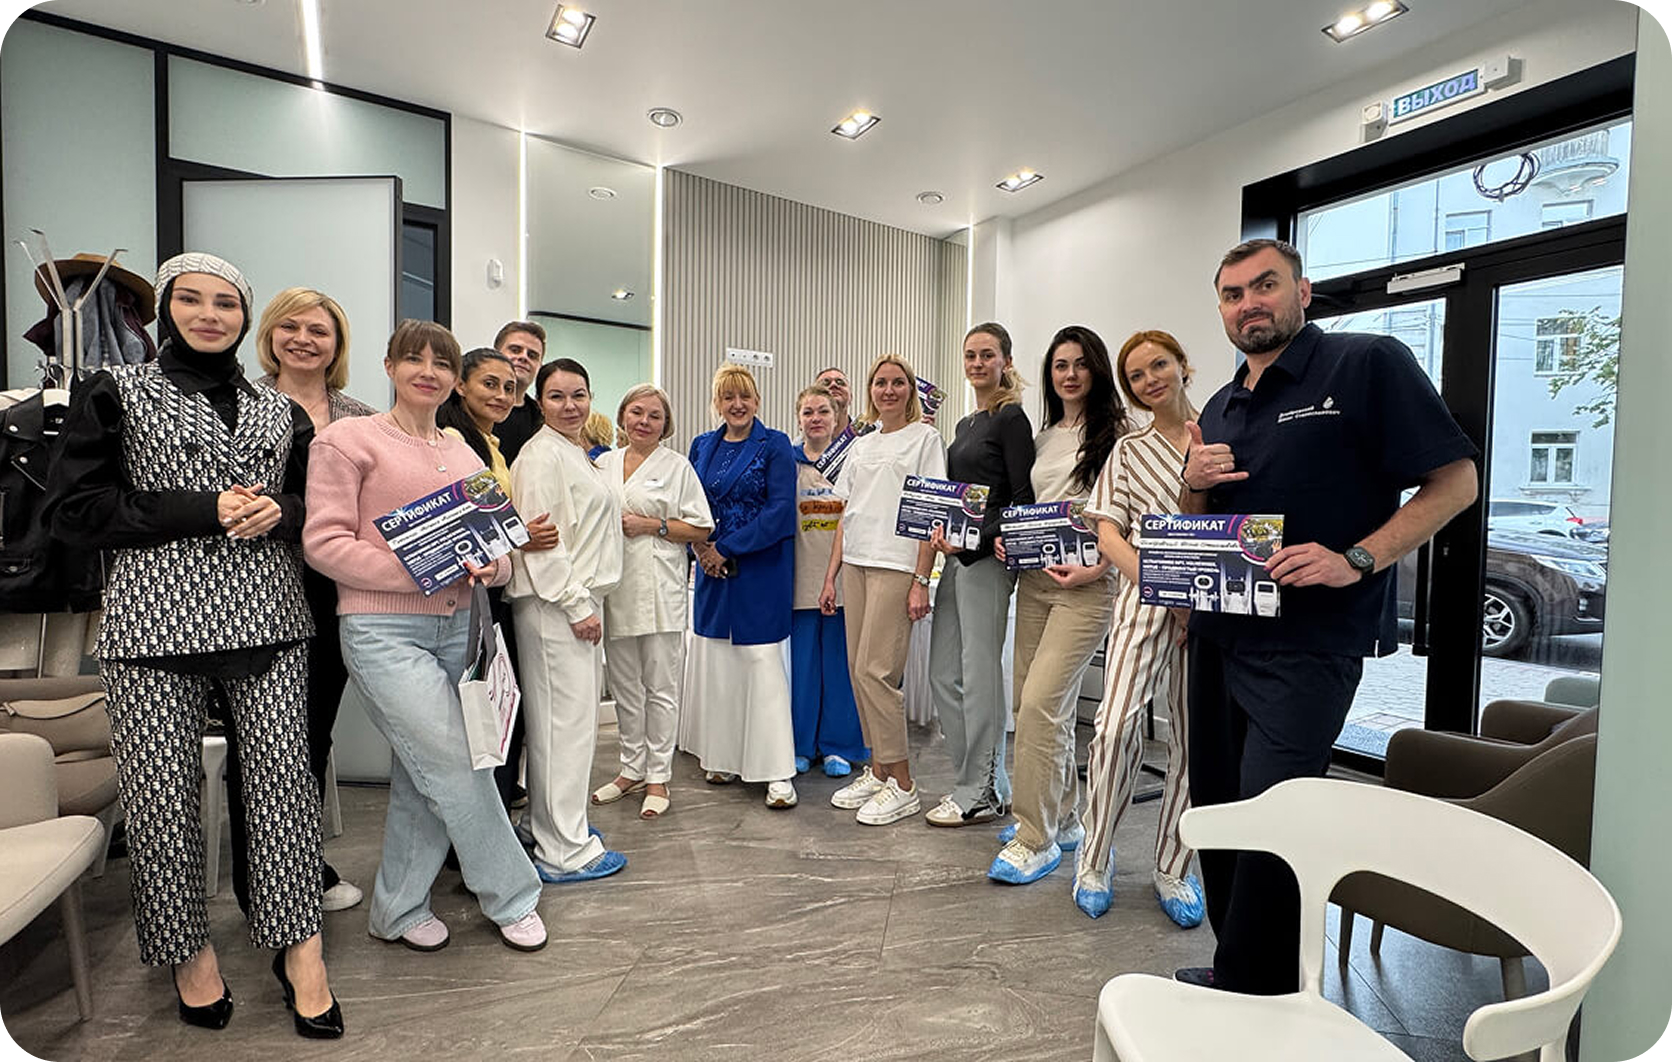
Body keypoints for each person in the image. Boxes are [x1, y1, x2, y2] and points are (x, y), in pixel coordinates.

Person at [45, 252, 341, 1037]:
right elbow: (74, 513)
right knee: (160, 799)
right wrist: (202, 508)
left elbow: (316, 505)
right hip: (153, 624)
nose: (210, 315)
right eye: (192, 300)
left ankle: (301, 948)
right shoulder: (116, 389)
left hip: (271, 621)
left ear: (245, 318)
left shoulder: (281, 410)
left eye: (226, 303)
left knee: (284, 791)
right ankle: (188, 953)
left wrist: (281, 510)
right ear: (167, 309)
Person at [1175, 238, 1478, 993]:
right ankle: (1236, 966)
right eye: (1232, 294)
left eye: (1265, 285)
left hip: (1308, 645)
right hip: (1219, 635)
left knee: (1274, 817)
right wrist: (1193, 482)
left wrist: (1358, 558)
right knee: (1218, 809)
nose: (1249, 304)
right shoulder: (1219, 404)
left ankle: (1264, 991)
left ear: (1303, 291)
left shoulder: (1365, 363)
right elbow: (1198, 520)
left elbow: (1456, 482)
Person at [305, 319, 548, 956]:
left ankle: (397, 908)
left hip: (460, 627)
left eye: (441, 363)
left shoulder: (464, 453)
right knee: (457, 760)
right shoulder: (346, 439)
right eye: (413, 359)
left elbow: (500, 549)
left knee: (424, 773)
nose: (428, 372)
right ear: (389, 367)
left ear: (453, 379)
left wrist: (493, 566)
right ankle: (512, 894)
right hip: (382, 630)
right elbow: (323, 544)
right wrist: (419, 570)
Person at [224, 287, 375, 918]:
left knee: (310, 736)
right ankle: (257, 884)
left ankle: (300, 869)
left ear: (337, 344)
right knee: (255, 745)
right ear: (269, 335)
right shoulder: (235, 403)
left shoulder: (360, 417)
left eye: (319, 330)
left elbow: (375, 508)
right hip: (255, 592)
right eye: (291, 327)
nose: (304, 340)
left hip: (332, 592)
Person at [1073, 329, 1202, 925]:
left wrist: (1194, 602)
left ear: (1182, 365)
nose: (1150, 380)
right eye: (1136, 376)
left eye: (1159, 365)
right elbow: (1108, 534)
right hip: (1145, 597)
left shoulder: (1221, 434)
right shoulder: (1128, 450)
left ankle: (1174, 866)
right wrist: (1165, 590)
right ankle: (1094, 857)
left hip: (1211, 606)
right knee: (1114, 725)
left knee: (1193, 740)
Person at [988, 326, 1121, 885]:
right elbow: (1032, 508)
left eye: (1080, 364)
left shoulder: (1119, 436)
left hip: (1088, 587)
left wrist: (1102, 565)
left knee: (1042, 703)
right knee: (1033, 704)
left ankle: (1034, 838)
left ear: (1097, 370)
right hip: (1037, 582)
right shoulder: (1042, 438)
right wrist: (1009, 540)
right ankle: (1062, 818)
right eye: (1060, 365)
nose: (1069, 374)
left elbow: (1134, 514)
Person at [507, 358, 629, 880]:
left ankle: (552, 826)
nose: (570, 405)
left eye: (578, 395)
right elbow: (543, 544)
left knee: (566, 727)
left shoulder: (571, 451)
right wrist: (577, 606)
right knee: (564, 729)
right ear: (540, 402)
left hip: (573, 601)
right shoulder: (540, 457)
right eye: (557, 396)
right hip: (556, 606)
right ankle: (563, 851)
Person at [434, 347, 561, 810]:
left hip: (495, 591)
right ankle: (481, 830)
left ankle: (496, 820)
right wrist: (520, 535)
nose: (503, 395)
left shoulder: (491, 444)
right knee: (483, 718)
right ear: (460, 385)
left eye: (509, 388)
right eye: (490, 384)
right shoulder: (454, 442)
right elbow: (462, 524)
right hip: (470, 599)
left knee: (501, 713)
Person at [820, 354, 944, 825]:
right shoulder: (862, 443)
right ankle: (877, 771)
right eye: (880, 383)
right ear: (870, 390)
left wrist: (921, 579)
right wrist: (831, 575)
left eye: (897, 382)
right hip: (857, 563)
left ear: (911, 390)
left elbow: (931, 513)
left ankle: (904, 783)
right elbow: (845, 515)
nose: (888, 390)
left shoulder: (925, 439)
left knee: (878, 673)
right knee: (859, 672)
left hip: (896, 564)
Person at [924, 322, 1034, 827]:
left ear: (1005, 361)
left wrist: (975, 539)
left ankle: (978, 791)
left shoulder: (1011, 418)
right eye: (970, 355)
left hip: (987, 561)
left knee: (980, 675)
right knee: (943, 674)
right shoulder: (966, 424)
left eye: (987, 355)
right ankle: (988, 780)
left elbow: (1021, 500)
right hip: (955, 559)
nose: (977, 363)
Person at [680, 364, 799, 808]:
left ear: (757, 400)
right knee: (719, 665)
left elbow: (781, 512)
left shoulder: (776, 444)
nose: (737, 404)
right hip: (712, 572)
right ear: (716, 402)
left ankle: (777, 772)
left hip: (760, 569)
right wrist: (701, 550)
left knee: (762, 664)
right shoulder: (701, 445)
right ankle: (724, 757)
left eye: (744, 396)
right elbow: (690, 505)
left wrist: (725, 548)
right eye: (728, 396)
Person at [594, 384, 714, 819]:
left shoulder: (677, 466)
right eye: (637, 412)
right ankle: (631, 768)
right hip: (614, 588)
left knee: (661, 688)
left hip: (659, 591)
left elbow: (701, 528)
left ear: (666, 425)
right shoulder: (602, 464)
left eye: (654, 416)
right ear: (622, 416)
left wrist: (652, 525)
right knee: (625, 686)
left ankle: (658, 775)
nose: (644, 421)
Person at [789, 385, 867, 778]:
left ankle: (839, 746)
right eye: (808, 412)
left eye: (823, 411)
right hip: (800, 581)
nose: (816, 418)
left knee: (839, 668)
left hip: (843, 578)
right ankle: (800, 745)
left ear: (838, 418)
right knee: (801, 670)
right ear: (799, 418)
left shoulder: (855, 460)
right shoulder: (787, 462)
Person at [488, 320, 547, 462]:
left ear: (540, 366)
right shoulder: (468, 407)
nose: (523, 357)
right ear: (495, 354)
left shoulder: (542, 420)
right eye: (515, 350)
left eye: (532, 355)